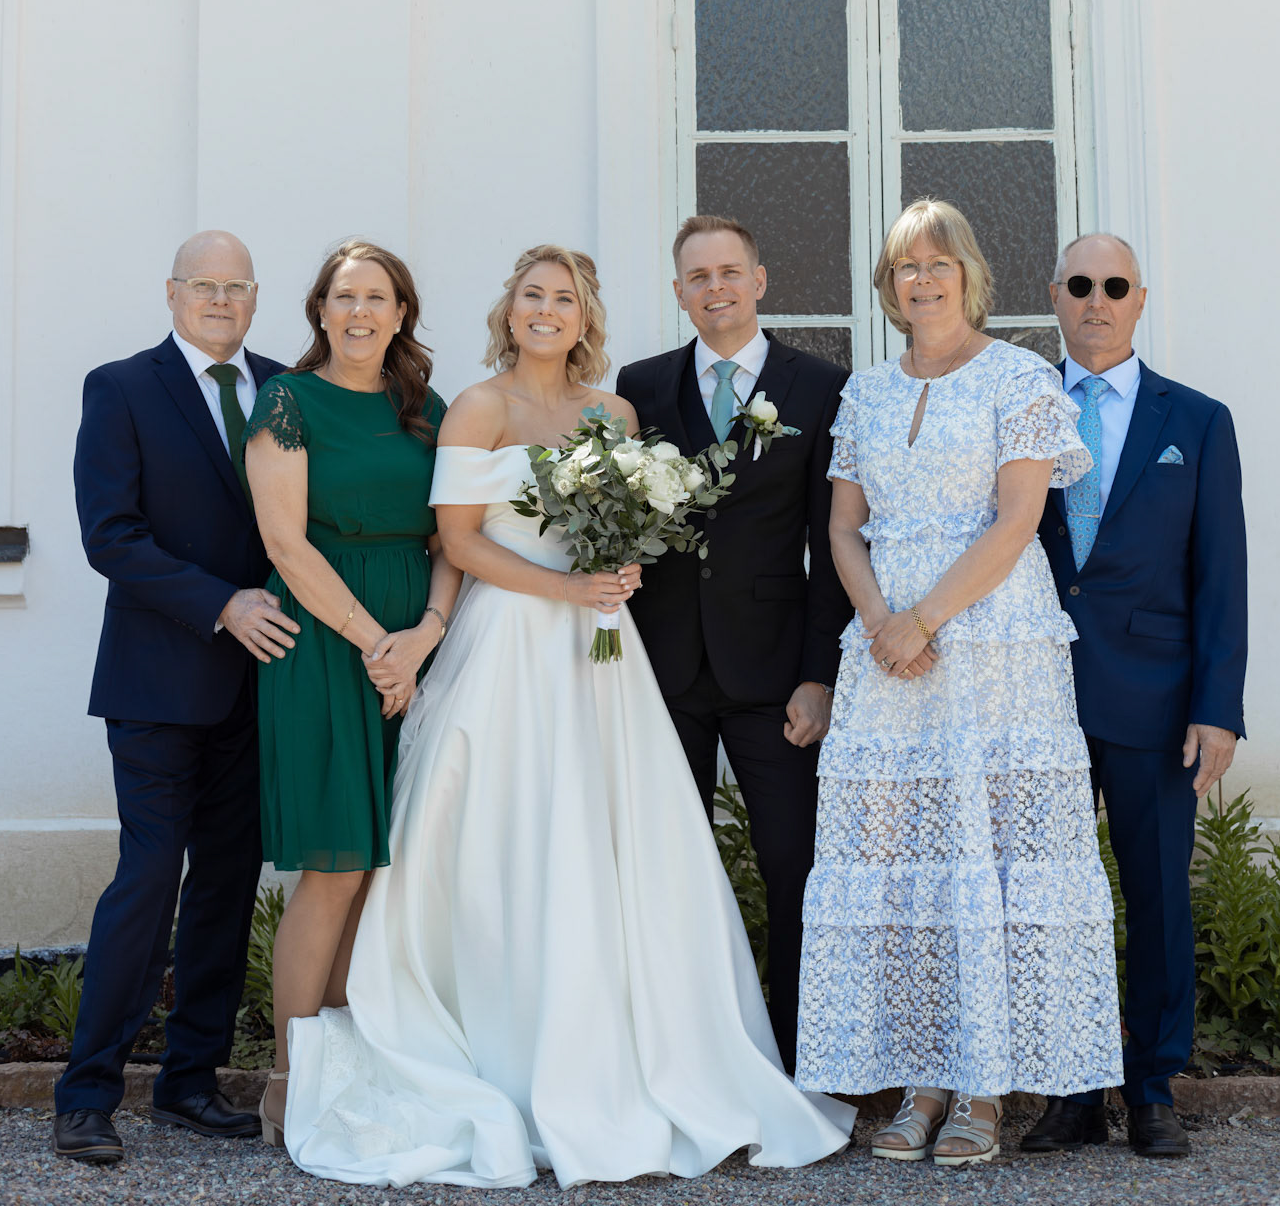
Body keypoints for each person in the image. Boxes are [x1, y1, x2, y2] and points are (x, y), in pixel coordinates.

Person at [280, 244, 853, 1186]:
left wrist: (620, 564)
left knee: (611, 838)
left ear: (586, 317)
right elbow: (458, 542)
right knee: (502, 838)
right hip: (508, 643)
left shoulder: (615, 414)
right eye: (532, 296)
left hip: (601, 650)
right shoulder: (476, 407)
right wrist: (565, 585)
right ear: (509, 312)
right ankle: (495, 1044)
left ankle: (638, 1054)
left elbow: (646, 531)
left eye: (564, 298)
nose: (546, 310)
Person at [796, 198, 1124, 1169]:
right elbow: (842, 527)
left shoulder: (1018, 376)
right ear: (888, 286)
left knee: (989, 857)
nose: (923, 279)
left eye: (938, 263)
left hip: (990, 643)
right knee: (903, 862)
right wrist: (880, 622)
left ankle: (983, 1085)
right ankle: (922, 1079)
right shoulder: (867, 391)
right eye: (906, 266)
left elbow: (1018, 518)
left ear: (970, 275)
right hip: (885, 654)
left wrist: (925, 618)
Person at [54, 232, 293, 1166]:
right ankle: (87, 1095)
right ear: (172, 293)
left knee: (228, 884)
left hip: (262, 681)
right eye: (204, 285)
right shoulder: (120, 387)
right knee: (149, 881)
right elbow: (110, 535)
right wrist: (221, 603)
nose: (220, 300)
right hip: (157, 681)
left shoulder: (286, 390)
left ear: (255, 297)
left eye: (236, 286)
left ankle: (189, 1084)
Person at [1021, 234, 1247, 1161]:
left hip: (1156, 698)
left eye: (1114, 285)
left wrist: (1217, 706)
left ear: (1139, 300)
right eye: (1079, 284)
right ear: (1054, 297)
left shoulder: (1195, 420)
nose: (1096, 300)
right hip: (1033, 695)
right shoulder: (1017, 403)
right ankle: (1071, 1092)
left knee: (1155, 897)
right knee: (1054, 899)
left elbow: (1220, 573)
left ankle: (1152, 1089)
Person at [616, 215, 851, 1075]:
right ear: (679, 291)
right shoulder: (638, 386)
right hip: (663, 666)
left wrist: (819, 676)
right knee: (667, 871)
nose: (713, 288)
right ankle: (685, 1059)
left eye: (727, 272)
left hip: (774, 673)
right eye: (696, 277)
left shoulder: (819, 386)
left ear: (758, 280)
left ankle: (799, 1062)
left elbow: (832, 544)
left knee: (794, 865)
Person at [243, 240, 458, 1146]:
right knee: (333, 865)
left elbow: (454, 538)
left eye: (377, 298)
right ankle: (289, 1079)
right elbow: (285, 544)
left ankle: (350, 1062)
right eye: (344, 297)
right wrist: (376, 644)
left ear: (401, 313)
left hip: (412, 642)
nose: (360, 312)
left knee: (381, 867)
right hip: (327, 644)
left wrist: (425, 634)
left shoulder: (426, 409)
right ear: (320, 312)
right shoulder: (287, 402)